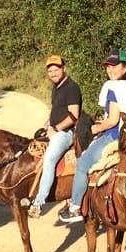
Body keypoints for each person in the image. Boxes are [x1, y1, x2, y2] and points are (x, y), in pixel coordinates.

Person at [59, 49, 126, 224]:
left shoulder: (113, 88)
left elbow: (112, 121)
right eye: (108, 66)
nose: (110, 69)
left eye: (115, 65)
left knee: (82, 164)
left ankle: (75, 207)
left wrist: (91, 129)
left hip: (115, 137)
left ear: (125, 67)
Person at [26, 55, 82, 218]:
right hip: (54, 128)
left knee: (49, 159)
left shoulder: (72, 88)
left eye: (56, 69)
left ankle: (39, 202)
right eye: (50, 70)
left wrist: (55, 129)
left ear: (63, 68)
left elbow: (74, 115)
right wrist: (47, 124)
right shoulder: (56, 87)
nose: (53, 73)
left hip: (66, 133)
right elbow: (56, 110)